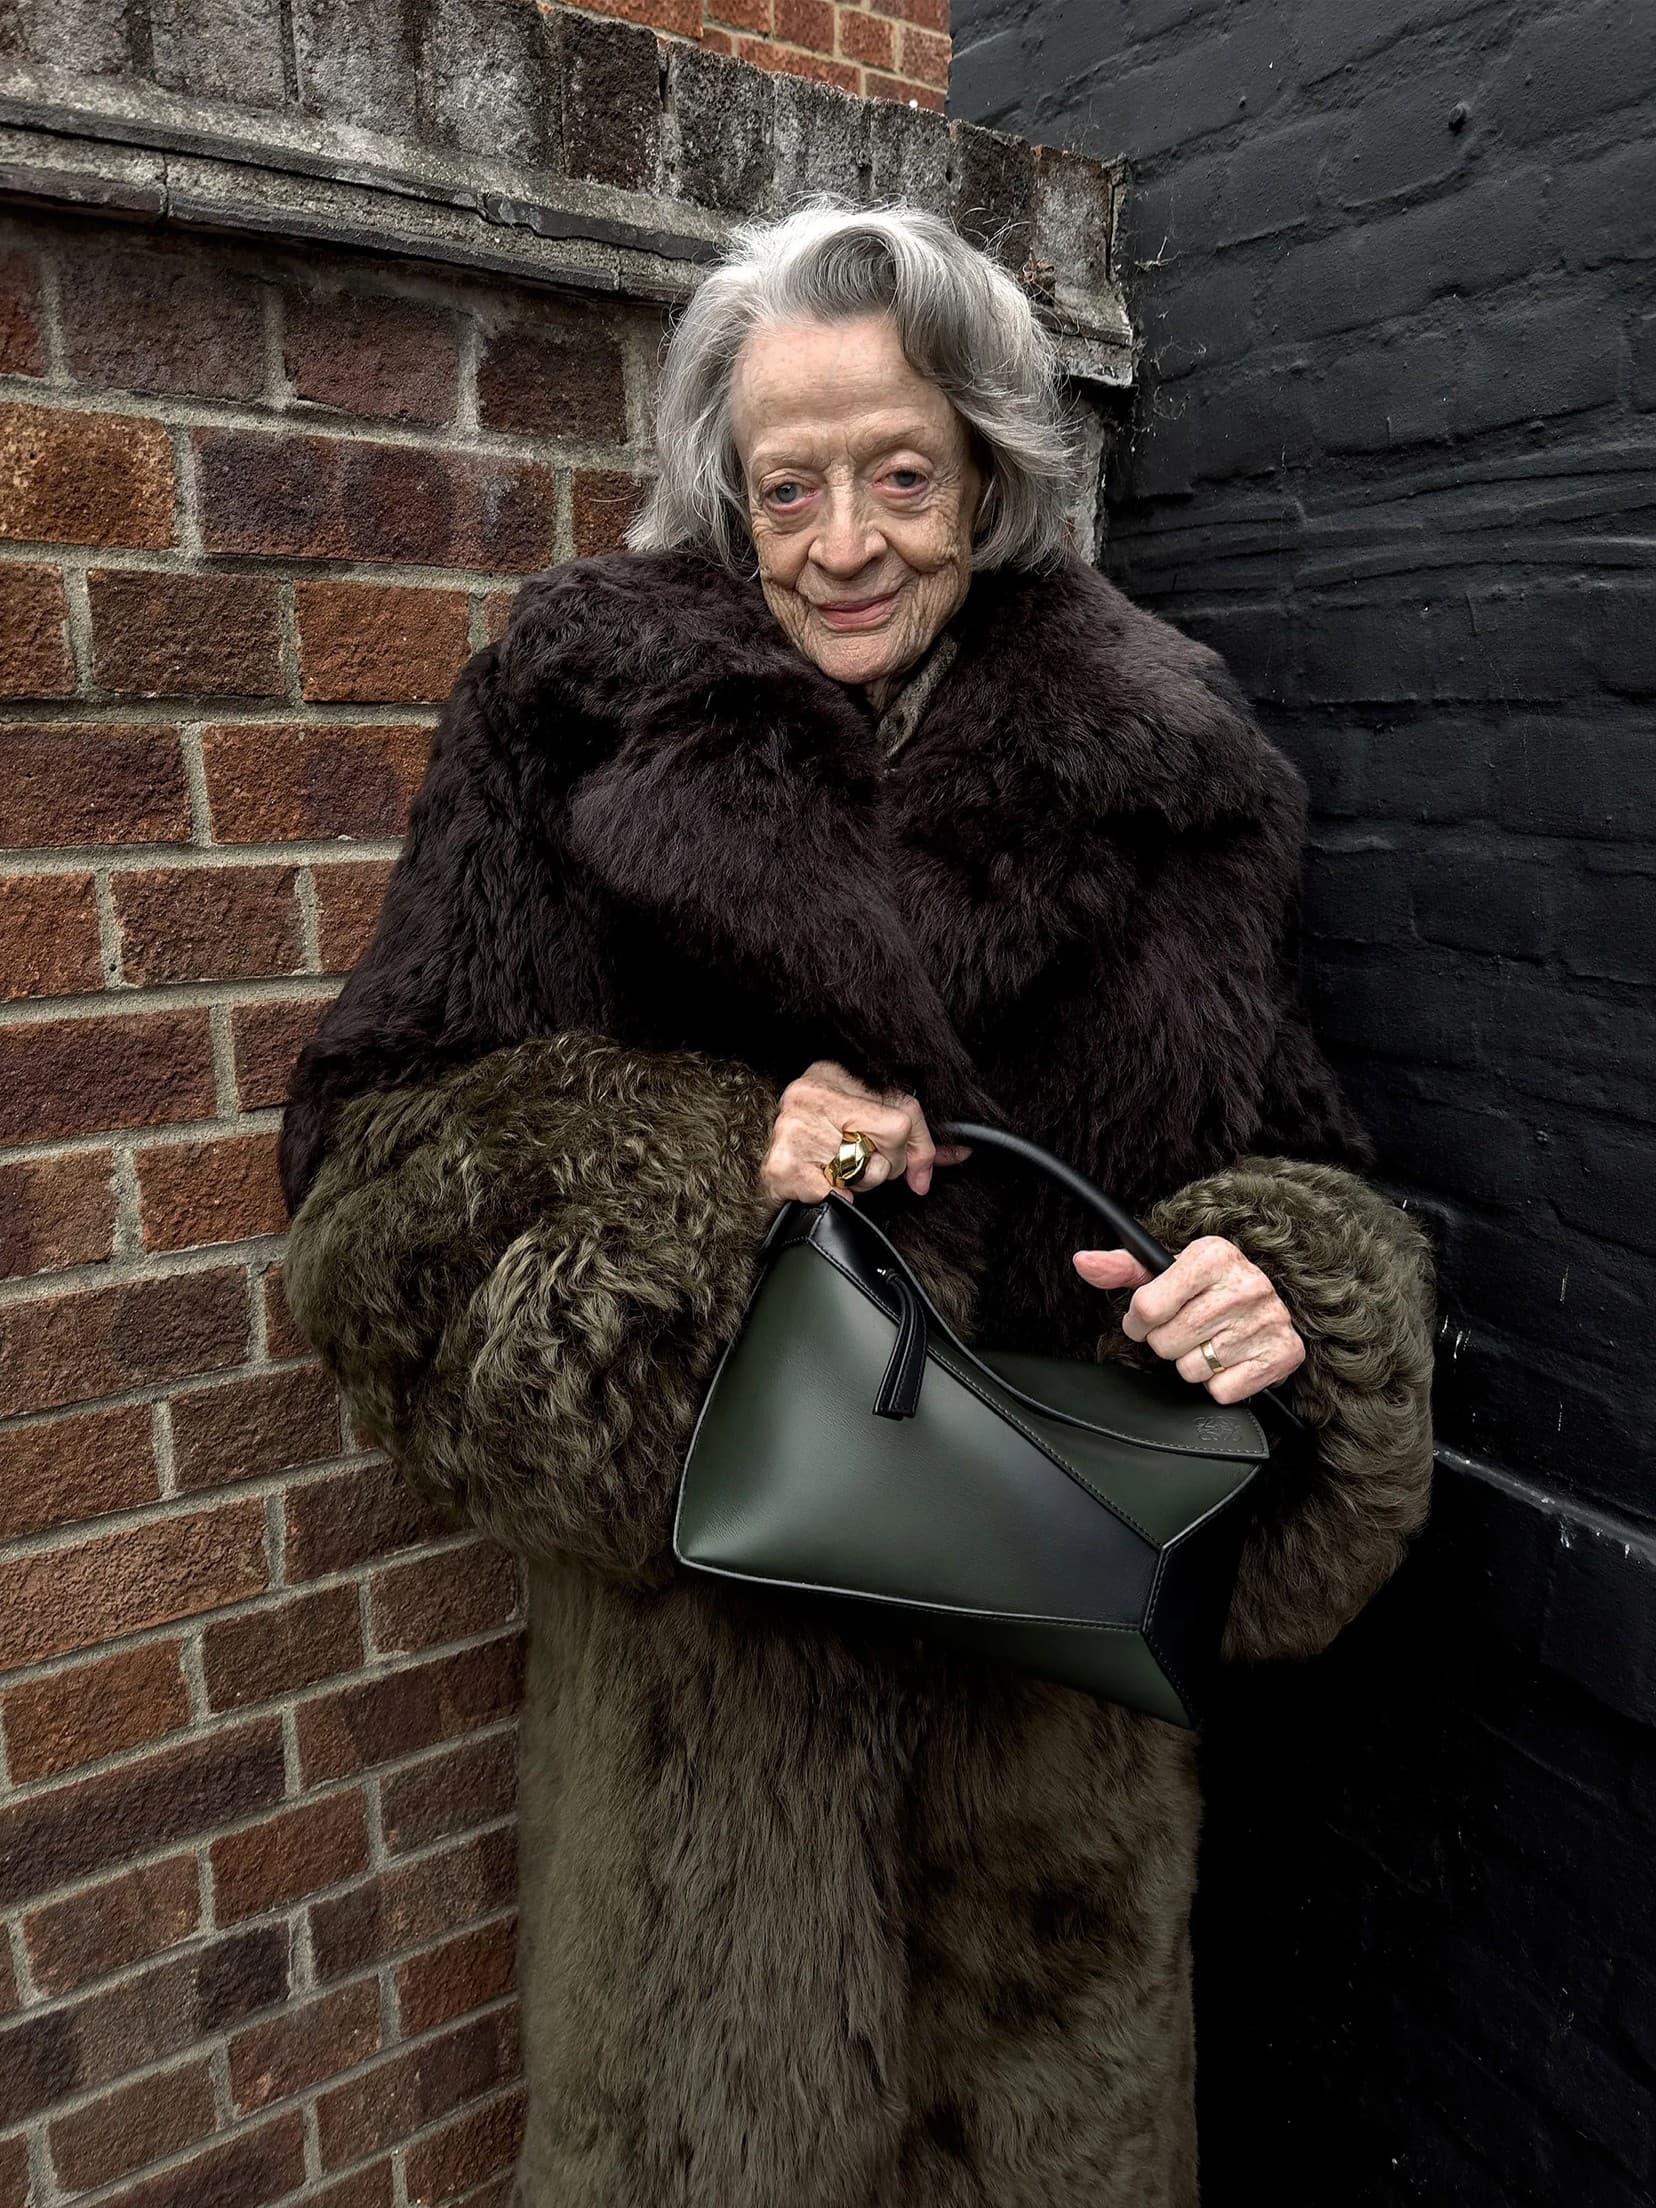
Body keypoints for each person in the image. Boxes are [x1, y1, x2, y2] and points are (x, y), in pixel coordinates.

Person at [278, 201, 1435, 2208]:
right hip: (701, 1823)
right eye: (788, 485)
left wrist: (1280, 1297)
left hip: (1054, 1810)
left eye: (900, 476)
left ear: (987, 472)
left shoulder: (1177, 776)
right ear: (726, 488)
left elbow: (1295, 1161)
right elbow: (372, 1196)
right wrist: (709, 1159)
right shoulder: (571, 728)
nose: (842, 544)